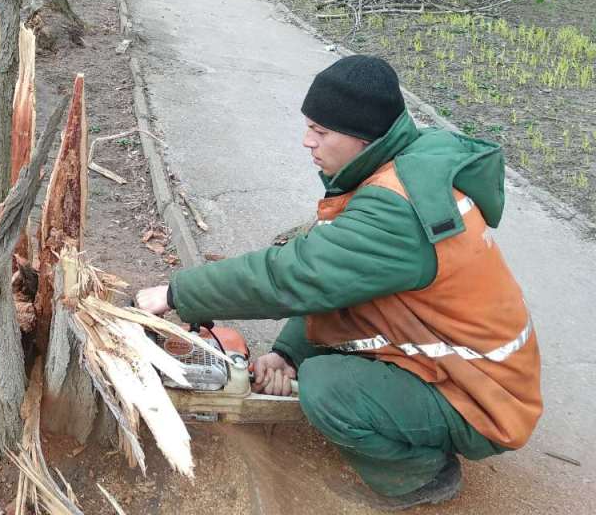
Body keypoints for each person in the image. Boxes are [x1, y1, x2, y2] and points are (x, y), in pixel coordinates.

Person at [135, 55, 541, 510]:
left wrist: (176, 294)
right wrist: (288, 352)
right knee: (314, 353)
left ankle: (419, 476)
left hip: (483, 397)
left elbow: (294, 275)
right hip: (463, 367)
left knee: (327, 388)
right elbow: (335, 278)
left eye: (322, 131)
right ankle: (407, 420)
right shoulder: (399, 167)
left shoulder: (396, 210)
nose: (308, 142)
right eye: (309, 126)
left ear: (363, 136)